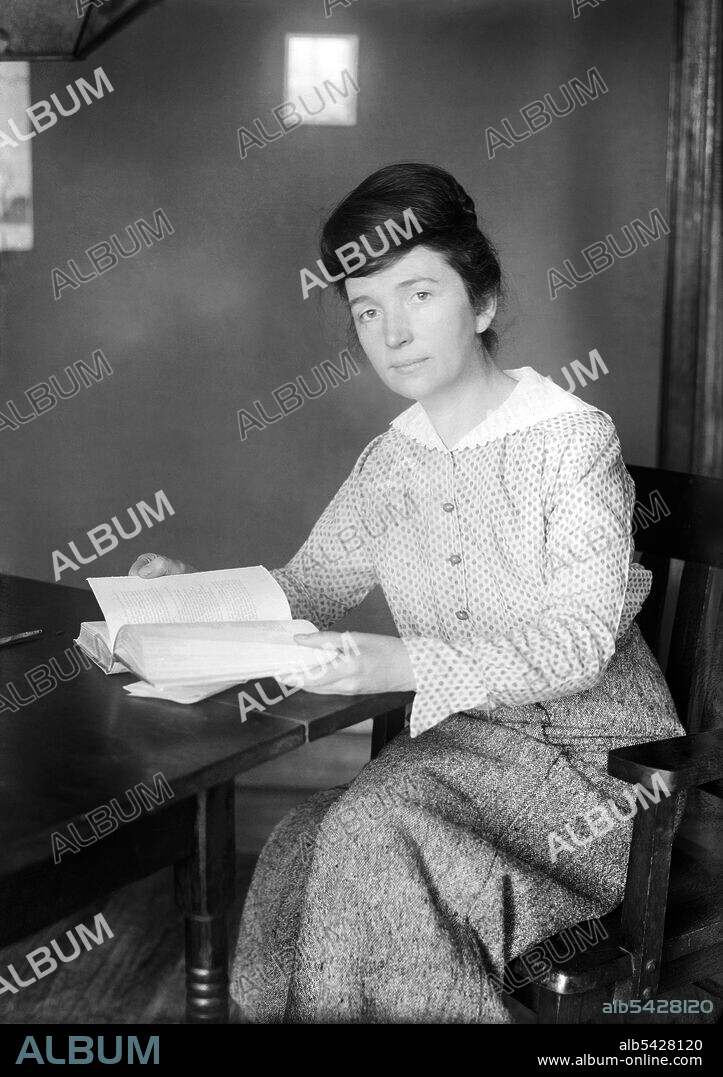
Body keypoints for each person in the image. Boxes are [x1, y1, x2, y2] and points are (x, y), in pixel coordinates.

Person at [129, 162, 684, 1023]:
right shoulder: (390, 462)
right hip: (463, 756)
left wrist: (403, 660)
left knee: (366, 831)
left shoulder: (572, 441)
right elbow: (307, 583)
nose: (391, 331)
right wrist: (186, 594)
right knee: (297, 842)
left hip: (602, 776)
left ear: (484, 303)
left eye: (418, 293)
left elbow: (577, 642)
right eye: (366, 309)